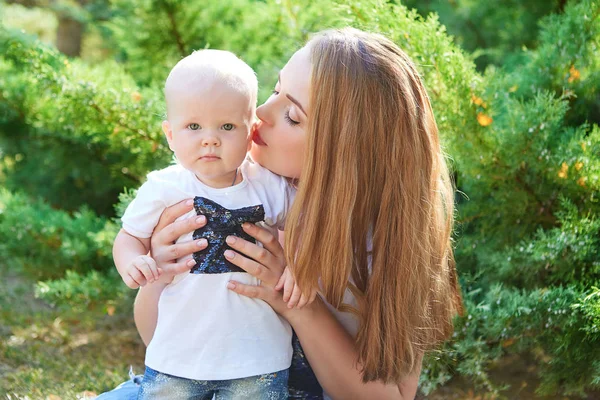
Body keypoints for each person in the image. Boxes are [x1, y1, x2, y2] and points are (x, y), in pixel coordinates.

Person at [97, 27, 462, 400]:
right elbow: (158, 341)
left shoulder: (382, 241)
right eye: (274, 90)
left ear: (344, 152)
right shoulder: (223, 192)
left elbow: (392, 396)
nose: (259, 115)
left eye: (291, 115)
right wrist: (160, 274)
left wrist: (297, 304)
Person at [112, 49, 309, 399]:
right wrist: (133, 261)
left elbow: (305, 225)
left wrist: (302, 265)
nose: (210, 138)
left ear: (251, 133)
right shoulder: (164, 188)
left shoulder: (266, 186)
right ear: (170, 134)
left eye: (227, 126)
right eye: (193, 126)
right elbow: (129, 236)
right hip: (178, 354)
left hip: (257, 356)